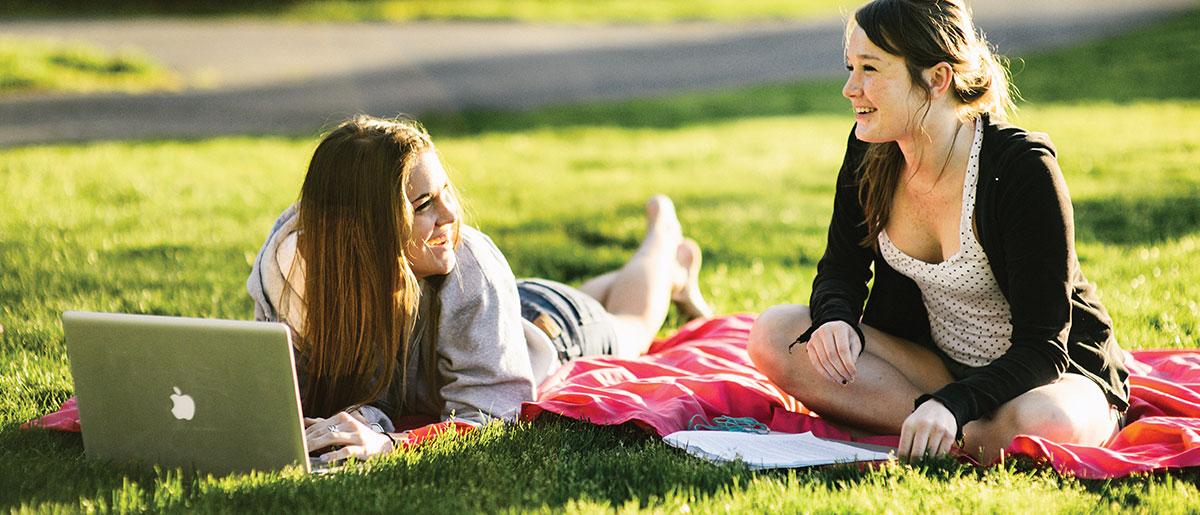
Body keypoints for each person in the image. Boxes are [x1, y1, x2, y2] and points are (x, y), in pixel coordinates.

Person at [747, 0, 1129, 462]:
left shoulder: (1022, 170)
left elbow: (1044, 347)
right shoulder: (870, 149)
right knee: (775, 334)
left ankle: (946, 429)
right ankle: (958, 434)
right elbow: (840, 270)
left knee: (1041, 425)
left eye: (871, 69)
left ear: (937, 78)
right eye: (851, 67)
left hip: (1048, 378)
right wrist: (835, 318)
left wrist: (954, 405)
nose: (851, 88)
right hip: (936, 368)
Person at [246, 115, 711, 464]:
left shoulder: (470, 267)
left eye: (445, 191)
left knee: (628, 328)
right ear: (363, 232)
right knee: (590, 298)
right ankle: (668, 274)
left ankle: (663, 244)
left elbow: (492, 413)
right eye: (424, 204)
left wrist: (390, 441)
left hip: (549, 328)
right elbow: (290, 393)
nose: (450, 214)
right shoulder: (293, 274)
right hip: (506, 309)